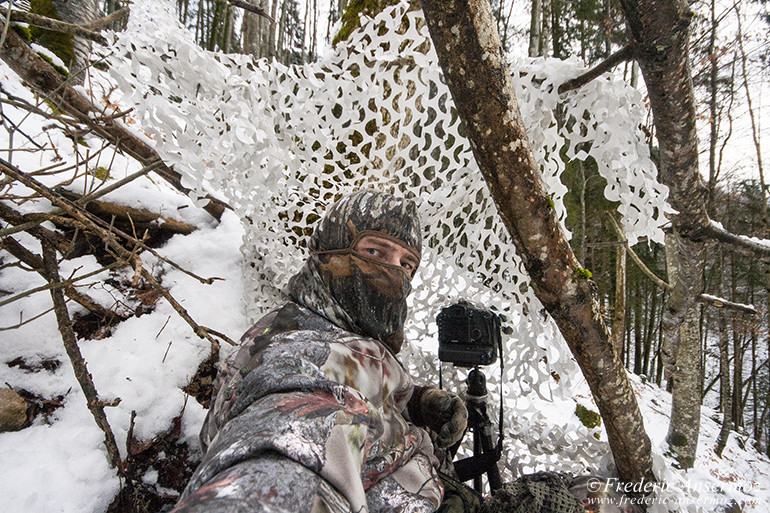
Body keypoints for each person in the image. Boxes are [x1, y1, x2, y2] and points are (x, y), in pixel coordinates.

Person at [172, 190, 471, 513]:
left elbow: (362, 385)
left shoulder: (343, 329)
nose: (394, 273)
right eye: (375, 251)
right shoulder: (297, 350)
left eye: (407, 263)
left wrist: (417, 402)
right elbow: (295, 436)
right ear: (330, 250)